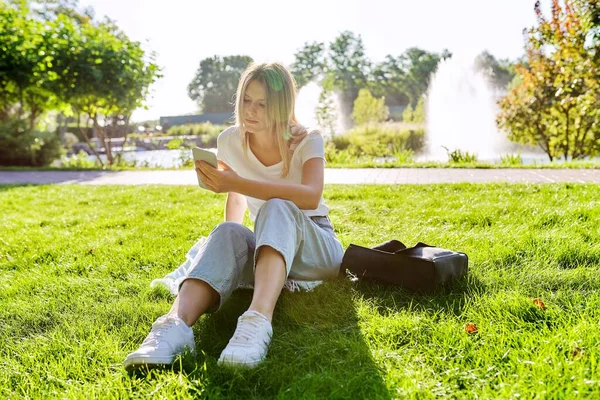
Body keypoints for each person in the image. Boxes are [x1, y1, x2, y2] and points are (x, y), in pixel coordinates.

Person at [123, 62, 344, 370]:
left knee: (277, 205)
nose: (250, 111)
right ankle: (174, 327)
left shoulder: (308, 138)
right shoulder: (230, 140)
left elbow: (311, 194)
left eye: (262, 104)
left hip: (317, 248)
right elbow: (236, 197)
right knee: (227, 230)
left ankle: (256, 323)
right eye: (246, 100)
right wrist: (231, 249)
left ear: (281, 105)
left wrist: (237, 181)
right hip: (273, 244)